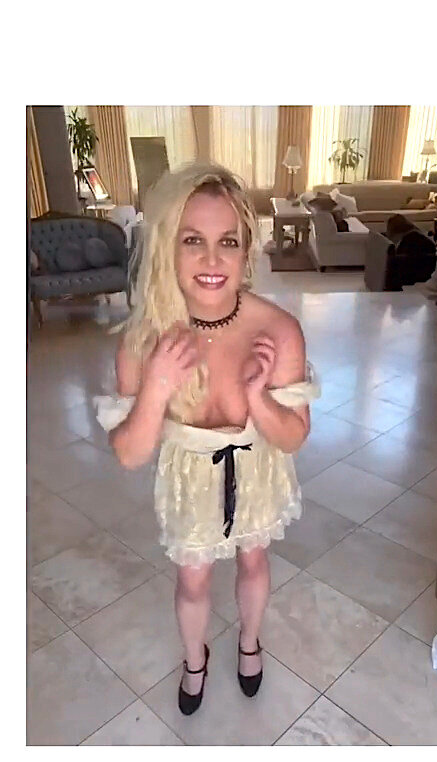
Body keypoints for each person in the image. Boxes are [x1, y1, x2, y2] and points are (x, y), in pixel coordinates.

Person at [94, 162, 319, 715]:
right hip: (189, 478)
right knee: (193, 581)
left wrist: (259, 398)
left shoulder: (278, 329)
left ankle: (249, 643)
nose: (213, 261)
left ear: (246, 252)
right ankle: (195, 660)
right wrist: (157, 386)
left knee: (253, 562)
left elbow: (293, 438)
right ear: (168, 246)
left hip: (257, 467)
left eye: (228, 242)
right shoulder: (144, 340)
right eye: (193, 240)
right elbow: (129, 454)